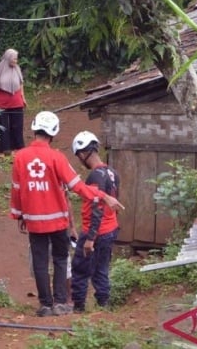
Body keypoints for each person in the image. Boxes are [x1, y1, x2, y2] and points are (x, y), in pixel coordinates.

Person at [10, 111, 124, 317]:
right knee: (61, 258)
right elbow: (77, 186)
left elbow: (17, 189)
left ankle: (45, 305)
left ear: (34, 129)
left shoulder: (20, 157)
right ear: (53, 134)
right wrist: (103, 196)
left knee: (40, 261)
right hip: (57, 221)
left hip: (34, 220)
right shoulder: (57, 158)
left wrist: (19, 215)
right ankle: (61, 302)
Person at [70, 130, 121, 313]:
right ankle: (104, 306)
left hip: (95, 232)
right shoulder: (112, 173)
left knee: (80, 270)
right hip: (110, 229)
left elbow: (97, 207)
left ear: (83, 154)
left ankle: (78, 308)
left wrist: (90, 237)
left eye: (79, 156)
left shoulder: (95, 176)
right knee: (101, 269)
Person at [0, 48, 27, 158]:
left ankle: (16, 148)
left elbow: (21, 83)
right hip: (1, 103)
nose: (15, 61)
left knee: (17, 126)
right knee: (2, 126)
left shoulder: (17, 68)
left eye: (16, 59)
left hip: (16, 102)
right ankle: (1, 149)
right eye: (14, 59)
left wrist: (23, 97)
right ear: (8, 58)